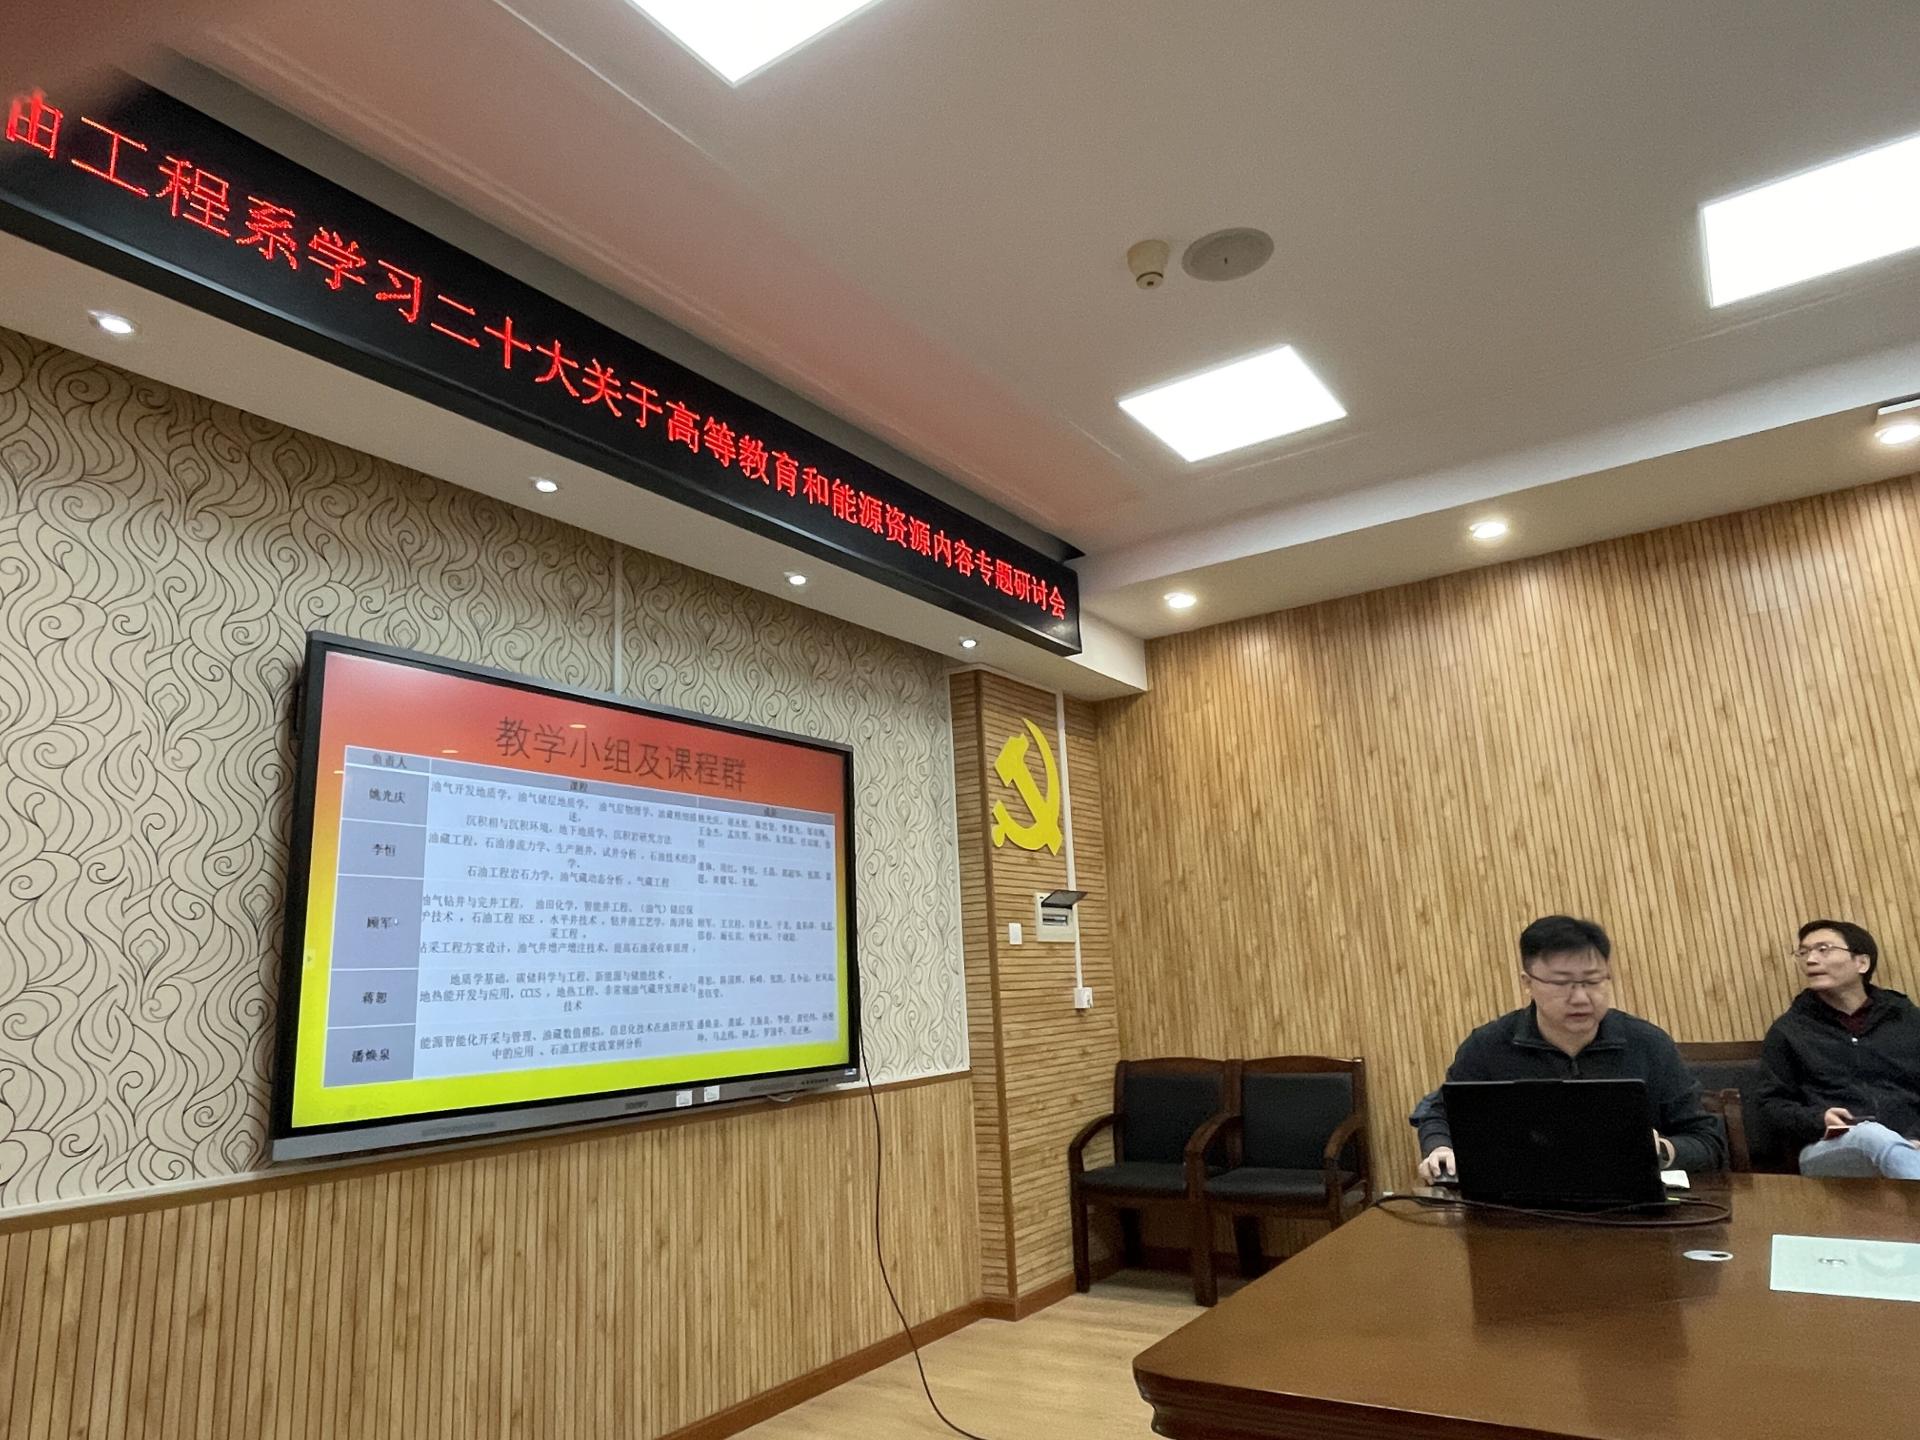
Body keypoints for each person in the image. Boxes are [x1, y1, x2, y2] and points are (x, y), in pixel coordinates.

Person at [1411, 915, 1726, 1181]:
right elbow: (1440, 1114)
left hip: (1630, 1210)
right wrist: (1440, 1148)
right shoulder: (1488, 1046)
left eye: (1593, 981)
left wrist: (1662, 1150)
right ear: (1527, 982)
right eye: (1562, 983)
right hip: (1518, 1207)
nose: (1580, 998)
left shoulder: (1648, 1044)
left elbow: (1708, 1141)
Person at [1756, 919, 1920, 1181]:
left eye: (1824, 949)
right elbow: (1772, 1104)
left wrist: (1914, 1139)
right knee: (1871, 1135)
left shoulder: (1908, 1020)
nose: (1811, 960)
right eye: (1803, 952)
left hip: (1913, 1141)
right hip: (1831, 1147)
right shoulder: (1789, 1030)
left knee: (1887, 1144)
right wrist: (1819, 1119)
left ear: (1861, 963)